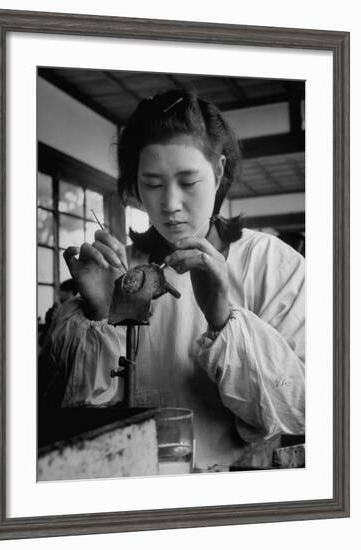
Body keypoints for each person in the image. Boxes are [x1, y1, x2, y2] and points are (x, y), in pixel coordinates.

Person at [40, 89, 305, 469]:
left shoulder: (272, 264)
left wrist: (221, 319)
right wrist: (99, 312)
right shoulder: (122, 269)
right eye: (152, 183)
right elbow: (68, 415)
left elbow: (302, 411)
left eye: (188, 181)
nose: (170, 204)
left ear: (217, 172)